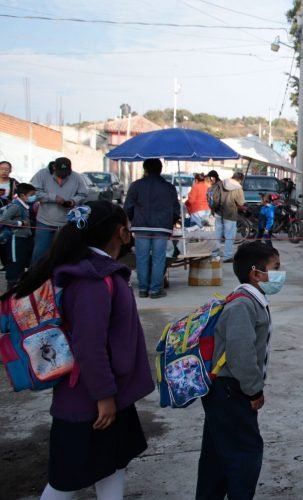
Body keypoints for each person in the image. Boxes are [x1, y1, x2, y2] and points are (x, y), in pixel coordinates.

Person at [2, 201, 153, 500]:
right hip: (91, 398)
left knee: (113, 465)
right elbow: (89, 345)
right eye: (128, 227)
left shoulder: (90, 272)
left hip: (108, 393)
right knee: (66, 480)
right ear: (120, 232)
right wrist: (104, 396)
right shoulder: (92, 281)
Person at [196, 241, 282, 499]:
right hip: (231, 391)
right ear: (256, 274)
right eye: (275, 268)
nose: (280, 274)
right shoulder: (242, 305)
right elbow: (240, 353)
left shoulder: (249, 300)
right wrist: (254, 390)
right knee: (246, 454)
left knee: (216, 456)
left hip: (225, 391)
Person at [124, 159, 180, 299]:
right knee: (158, 259)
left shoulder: (136, 186)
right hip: (162, 228)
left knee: (141, 258)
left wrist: (133, 220)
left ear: (145, 169)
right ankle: (155, 290)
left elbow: (128, 207)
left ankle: (143, 289)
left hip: (141, 227)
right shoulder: (169, 187)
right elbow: (176, 210)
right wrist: (170, 223)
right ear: (161, 170)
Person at [29, 157, 89, 265]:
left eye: (66, 173)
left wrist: (73, 201)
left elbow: (83, 194)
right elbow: (33, 193)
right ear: (54, 167)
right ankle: (36, 274)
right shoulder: (41, 175)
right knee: (40, 253)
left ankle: (60, 274)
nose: (63, 176)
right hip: (45, 222)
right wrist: (54, 198)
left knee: (65, 254)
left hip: (66, 223)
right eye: (60, 173)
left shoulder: (76, 177)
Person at [0, 183, 37, 288]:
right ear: (22, 195)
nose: (33, 197)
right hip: (16, 239)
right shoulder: (16, 206)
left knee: (21, 262)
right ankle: (11, 287)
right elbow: (3, 220)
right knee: (15, 262)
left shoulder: (25, 206)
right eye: (31, 194)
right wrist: (20, 223)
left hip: (24, 238)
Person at [212, 172, 246, 262]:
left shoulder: (221, 183)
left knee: (217, 234)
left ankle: (215, 253)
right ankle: (227, 255)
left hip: (218, 212)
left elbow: (214, 197)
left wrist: (214, 209)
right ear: (240, 180)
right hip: (230, 214)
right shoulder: (238, 187)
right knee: (229, 235)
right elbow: (241, 203)